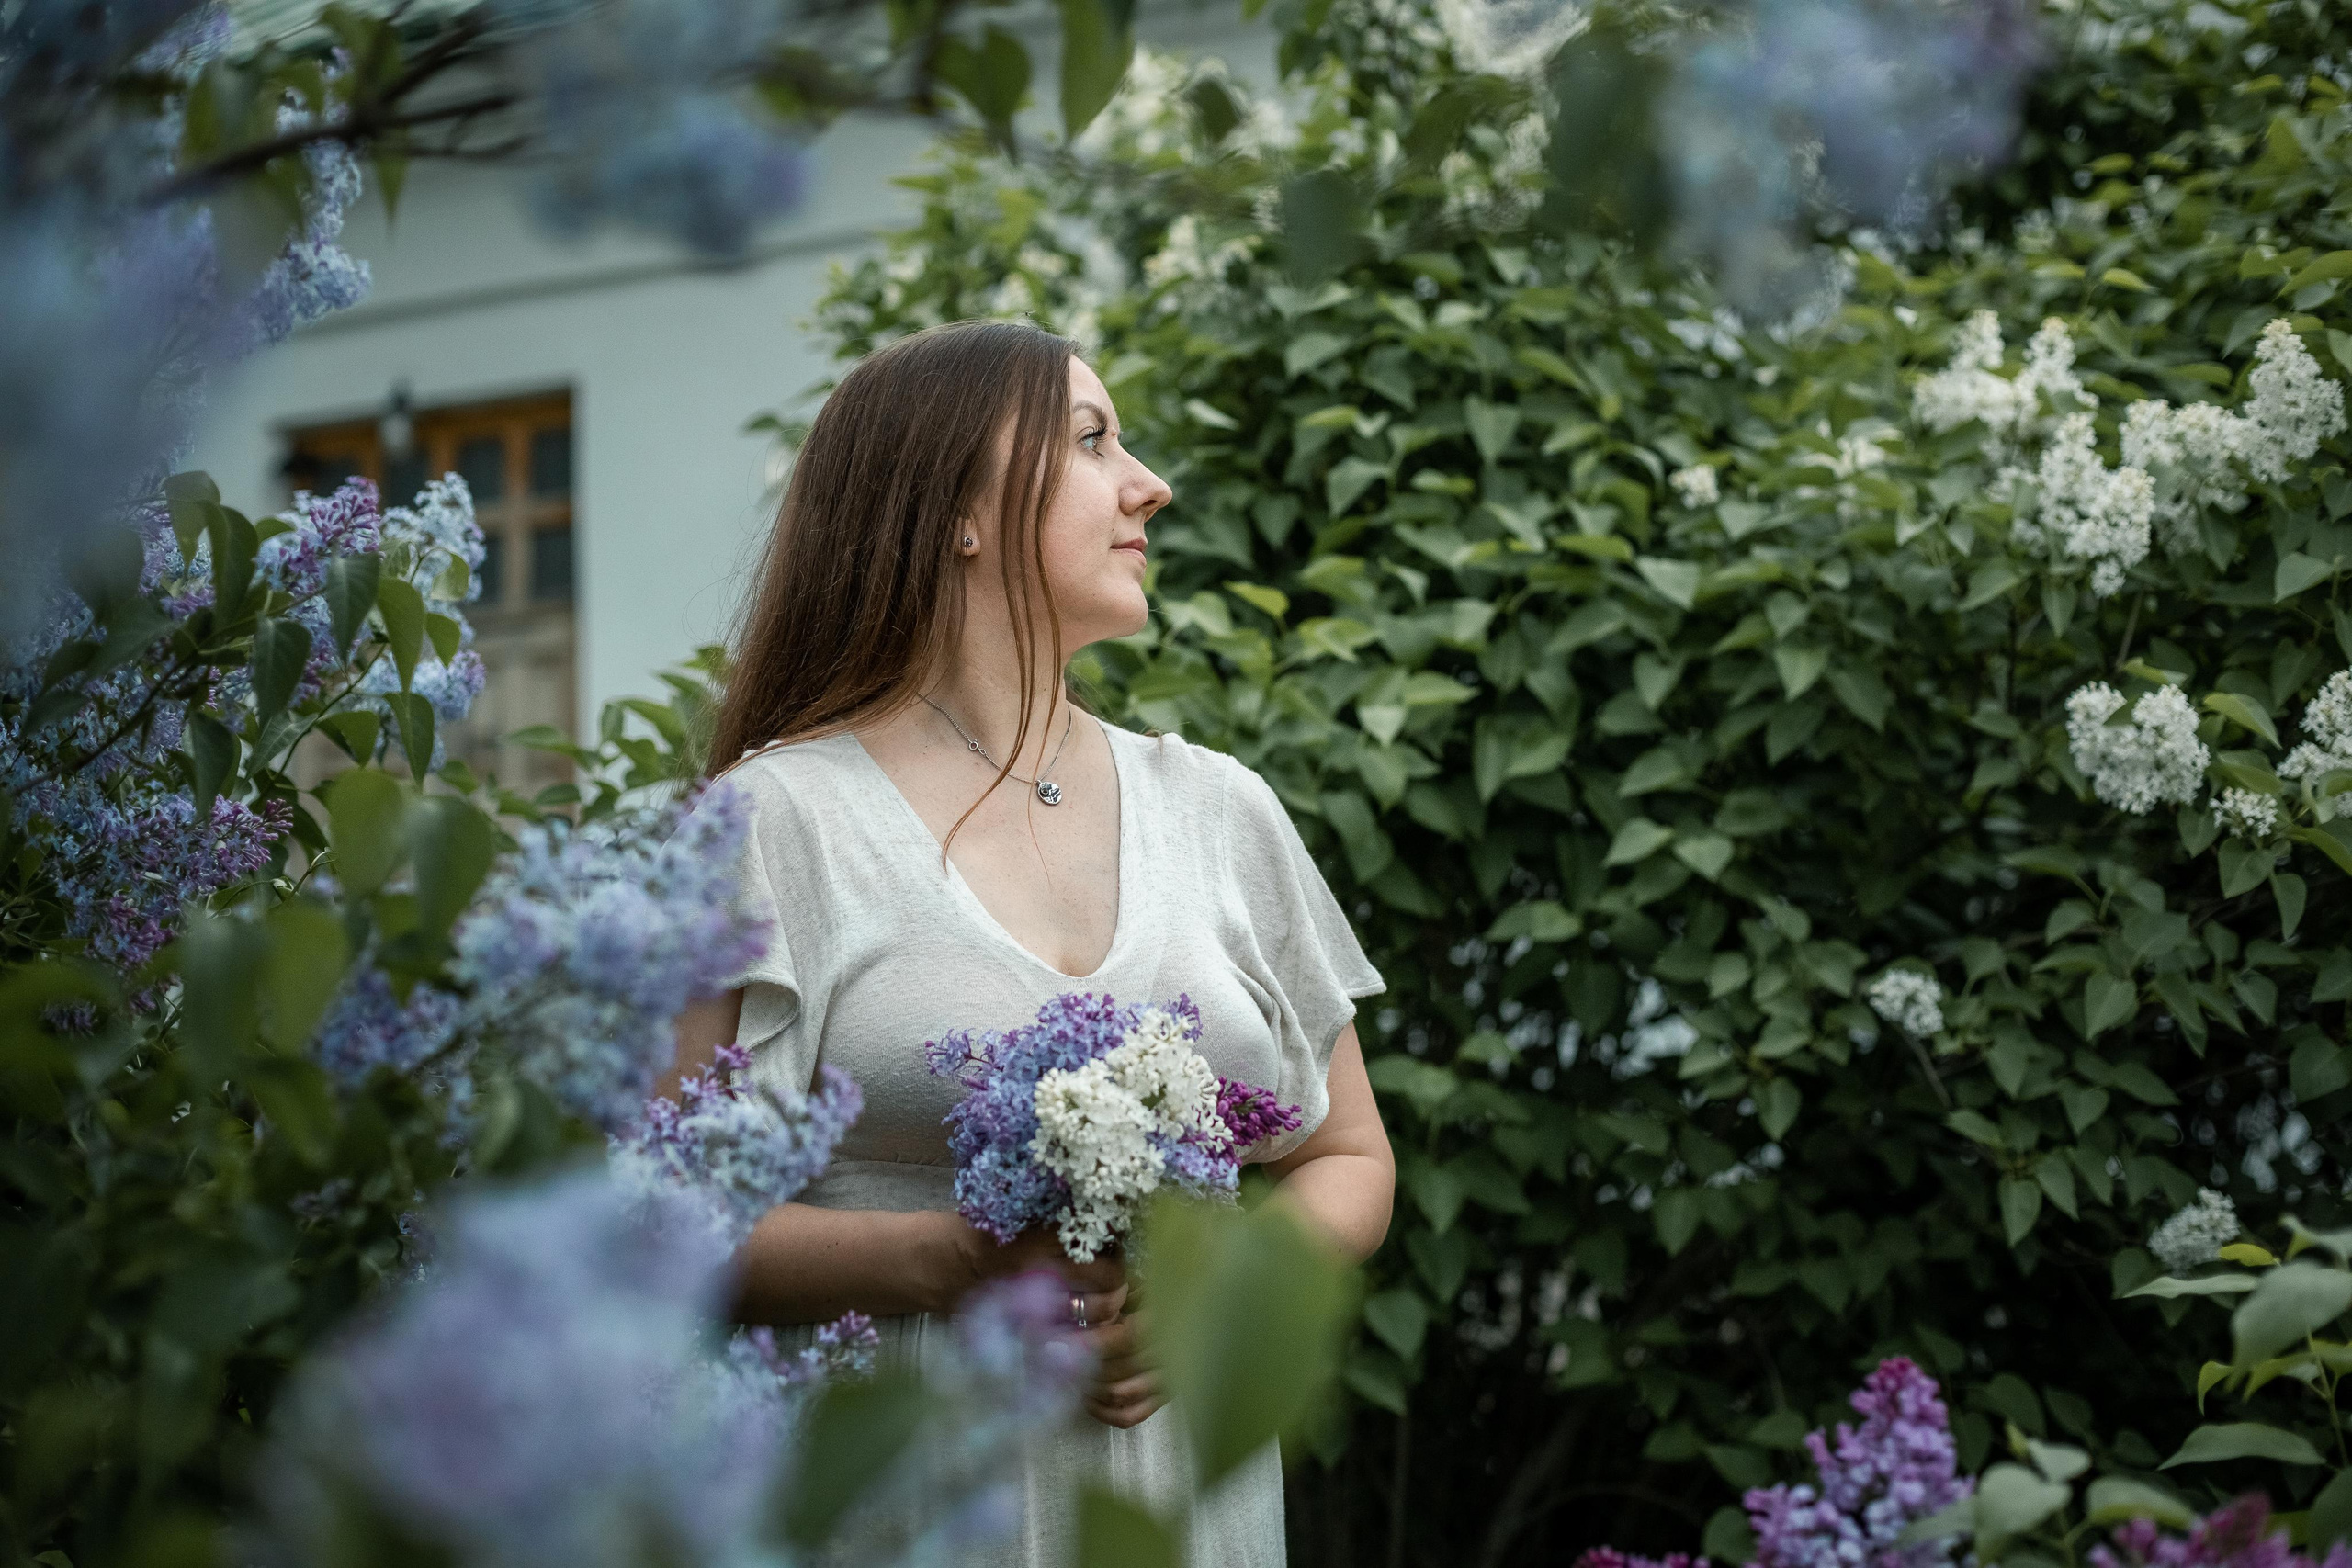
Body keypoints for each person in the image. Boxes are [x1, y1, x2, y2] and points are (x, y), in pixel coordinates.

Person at [664, 318, 1393, 1566]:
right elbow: (660, 1217)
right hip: (900, 1502)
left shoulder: (1218, 809)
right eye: (1094, 440)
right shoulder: (765, 827)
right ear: (959, 509)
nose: (1149, 484)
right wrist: (942, 1259)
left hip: (1183, 1511)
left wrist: (1212, 1295)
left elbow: (1347, 1150)